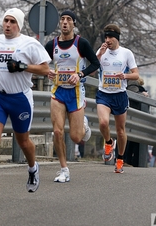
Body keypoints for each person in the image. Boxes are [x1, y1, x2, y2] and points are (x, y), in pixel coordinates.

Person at [0, 7, 51, 204]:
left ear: (19, 25)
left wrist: (22, 67)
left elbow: (45, 69)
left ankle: (33, 168)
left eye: (12, 21)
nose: (7, 25)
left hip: (20, 99)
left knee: (23, 141)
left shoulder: (29, 44)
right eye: (6, 21)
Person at [45, 10, 100, 182]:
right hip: (58, 92)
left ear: (74, 24)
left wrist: (81, 74)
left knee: (76, 137)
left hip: (76, 93)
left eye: (69, 20)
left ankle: (84, 124)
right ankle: (64, 170)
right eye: (62, 20)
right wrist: (47, 71)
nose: (65, 22)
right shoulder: (51, 45)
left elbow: (95, 64)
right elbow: (39, 64)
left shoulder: (81, 43)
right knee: (57, 131)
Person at [95, 23, 139, 173]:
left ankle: (120, 158)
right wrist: (100, 54)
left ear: (117, 38)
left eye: (110, 37)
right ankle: (108, 143)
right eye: (106, 37)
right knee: (103, 122)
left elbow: (136, 74)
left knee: (120, 131)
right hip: (104, 94)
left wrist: (124, 76)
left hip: (119, 95)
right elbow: (93, 69)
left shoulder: (126, 53)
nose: (108, 40)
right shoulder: (101, 52)